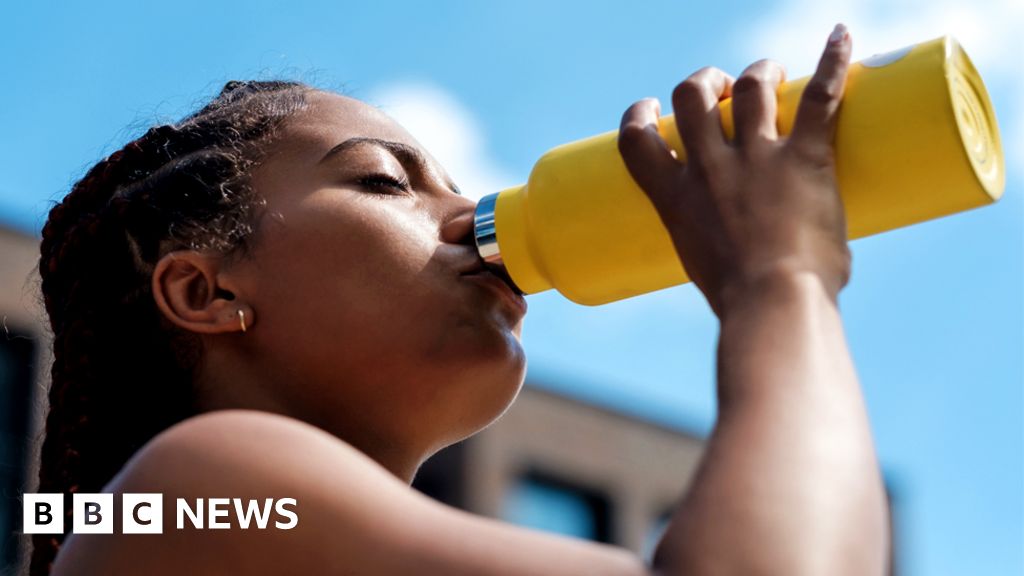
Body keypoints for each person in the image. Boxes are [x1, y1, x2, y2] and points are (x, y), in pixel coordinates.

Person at [28, 22, 889, 576]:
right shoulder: (199, 495)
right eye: (382, 181)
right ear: (205, 289)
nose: (475, 218)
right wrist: (783, 279)